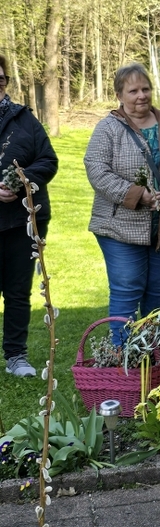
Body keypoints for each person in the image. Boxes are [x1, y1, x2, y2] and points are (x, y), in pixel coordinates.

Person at [84, 63, 160, 345]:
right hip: (119, 227)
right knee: (127, 289)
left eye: (146, 89)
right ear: (119, 95)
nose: (141, 95)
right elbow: (96, 169)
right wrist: (136, 194)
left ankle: (152, 358)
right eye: (133, 91)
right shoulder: (108, 128)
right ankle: (123, 359)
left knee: (156, 294)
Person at [0, 55, 58, 376]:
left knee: (18, 291)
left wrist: (21, 183)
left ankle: (16, 357)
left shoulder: (24, 119)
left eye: (0, 80)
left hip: (22, 220)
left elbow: (47, 160)